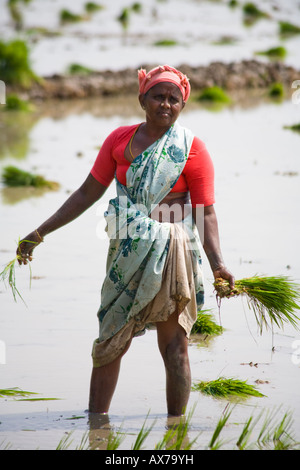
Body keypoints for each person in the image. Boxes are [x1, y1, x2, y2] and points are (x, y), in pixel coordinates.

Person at [17, 65, 234, 417]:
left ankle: (174, 432)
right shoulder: (119, 140)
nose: (165, 104)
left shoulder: (191, 148)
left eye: (173, 99)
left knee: (175, 346)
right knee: (109, 339)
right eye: (158, 97)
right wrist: (40, 232)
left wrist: (218, 265)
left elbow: (205, 212)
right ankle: (96, 424)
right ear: (141, 100)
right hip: (127, 251)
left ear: (182, 105)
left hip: (171, 253)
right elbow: (88, 191)